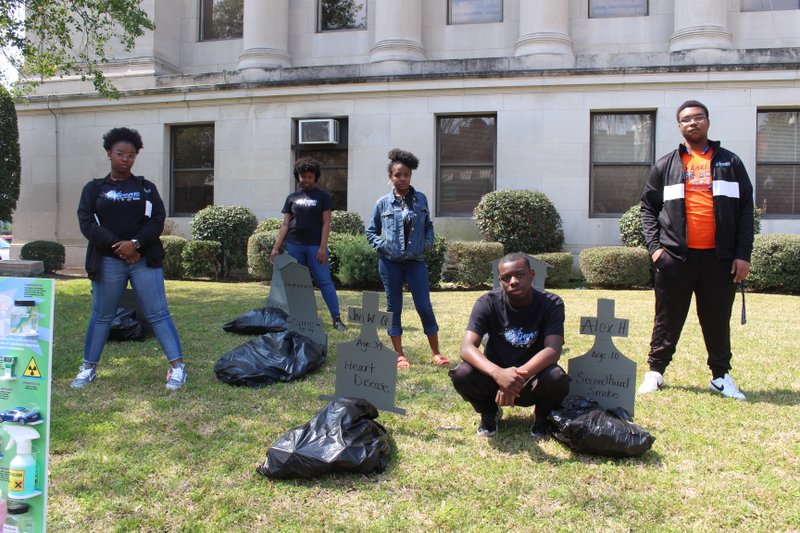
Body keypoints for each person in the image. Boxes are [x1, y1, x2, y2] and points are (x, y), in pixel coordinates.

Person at [638, 100, 754, 400]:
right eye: (686, 119)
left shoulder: (730, 162)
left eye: (698, 117)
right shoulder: (667, 164)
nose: (693, 123)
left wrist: (742, 254)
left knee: (716, 319)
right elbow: (647, 209)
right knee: (667, 317)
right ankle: (656, 371)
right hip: (676, 258)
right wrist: (655, 249)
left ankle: (720, 376)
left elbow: (744, 212)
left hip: (720, 259)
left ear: (708, 122)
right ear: (679, 126)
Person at [74, 127, 187, 390]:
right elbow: (86, 223)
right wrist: (118, 246)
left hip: (142, 259)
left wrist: (135, 244)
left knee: (158, 313)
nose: (126, 159)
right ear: (109, 154)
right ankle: (88, 368)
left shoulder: (146, 188)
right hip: (108, 259)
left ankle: (178, 368)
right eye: (120, 154)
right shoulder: (94, 189)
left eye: (131, 155)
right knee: (102, 315)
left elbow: (158, 220)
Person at [450, 253, 570, 438]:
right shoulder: (486, 303)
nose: (513, 281)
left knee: (557, 377)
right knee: (462, 373)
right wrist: (499, 374)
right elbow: (467, 348)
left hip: (532, 378)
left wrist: (513, 379)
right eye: (506, 278)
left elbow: (552, 351)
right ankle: (489, 412)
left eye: (520, 275)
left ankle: (542, 418)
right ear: (500, 281)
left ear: (532, 274)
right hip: (494, 380)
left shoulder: (551, 303)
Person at [366, 148, 450, 369]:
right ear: (390, 177)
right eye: (398, 175)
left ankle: (436, 352)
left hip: (415, 262)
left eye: (406, 175)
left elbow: (428, 226)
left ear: (410, 176)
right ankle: (399, 354)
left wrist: (428, 243)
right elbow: (370, 231)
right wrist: (382, 246)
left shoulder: (420, 199)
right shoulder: (382, 203)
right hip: (390, 263)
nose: (402, 178)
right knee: (394, 308)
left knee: (424, 306)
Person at [270, 157, 347, 331]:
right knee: (297, 283)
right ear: (298, 177)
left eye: (310, 177)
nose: (306, 180)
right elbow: (285, 224)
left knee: (324, 281)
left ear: (315, 177)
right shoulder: (292, 198)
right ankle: (299, 318)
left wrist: (322, 248)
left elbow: (326, 223)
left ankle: (336, 319)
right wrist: (276, 248)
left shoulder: (323, 197)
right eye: (303, 176)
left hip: (315, 248)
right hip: (294, 245)